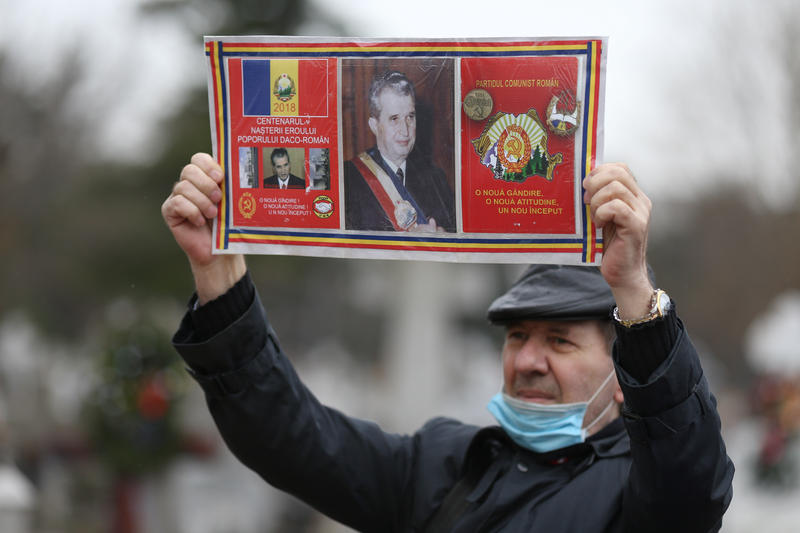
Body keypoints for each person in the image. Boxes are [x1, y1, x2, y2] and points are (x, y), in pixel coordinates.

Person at [162, 155, 734, 532]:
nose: (528, 361)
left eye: (560, 342)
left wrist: (633, 289)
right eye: (517, 337)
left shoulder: (642, 490)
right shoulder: (447, 464)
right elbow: (291, 438)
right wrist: (219, 276)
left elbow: (691, 475)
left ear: (620, 369)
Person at [344, 71, 455, 232]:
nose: (405, 130)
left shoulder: (436, 178)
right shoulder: (348, 179)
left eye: (410, 117)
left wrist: (445, 237)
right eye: (394, 119)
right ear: (374, 125)